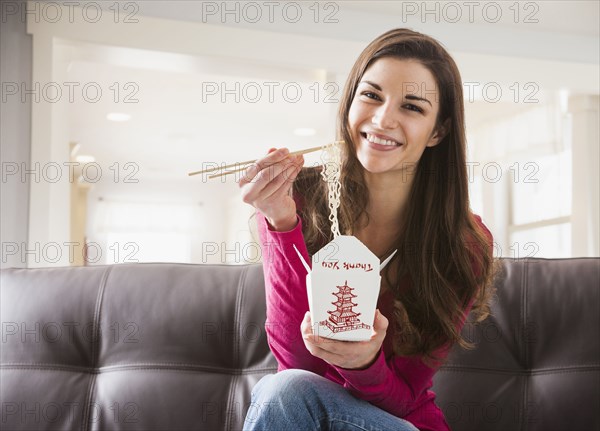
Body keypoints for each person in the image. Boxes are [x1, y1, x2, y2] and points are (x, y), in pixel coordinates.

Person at [238, 28, 496, 431]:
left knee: (284, 393)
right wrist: (281, 223)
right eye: (371, 95)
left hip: (399, 423)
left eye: (411, 107)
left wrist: (364, 364)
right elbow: (296, 363)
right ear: (351, 101)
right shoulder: (294, 199)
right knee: (284, 391)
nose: (382, 119)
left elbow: (405, 397)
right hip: (302, 411)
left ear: (438, 132)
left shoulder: (462, 242)